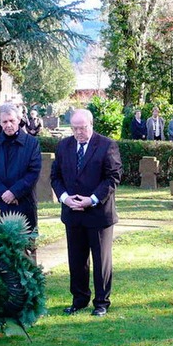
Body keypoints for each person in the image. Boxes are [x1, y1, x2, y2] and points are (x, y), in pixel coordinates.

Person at [50, 109, 123, 317]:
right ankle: (79, 299)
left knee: (101, 260)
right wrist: (65, 198)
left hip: (98, 214)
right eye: (74, 128)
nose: (79, 132)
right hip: (72, 212)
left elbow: (113, 177)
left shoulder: (107, 145)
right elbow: (55, 176)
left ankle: (101, 302)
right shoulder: (64, 145)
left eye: (82, 128)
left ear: (91, 124)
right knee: (76, 259)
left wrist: (91, 200)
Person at [0, 102, 42, 237]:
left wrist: (14, 192)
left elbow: (33, 172)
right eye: (4, 122)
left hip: (24, 203)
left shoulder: (32, 143)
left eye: (12, 121)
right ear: (0, 123)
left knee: (26, 249)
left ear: (19, 120)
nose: (8, 125)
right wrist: (3, 193)